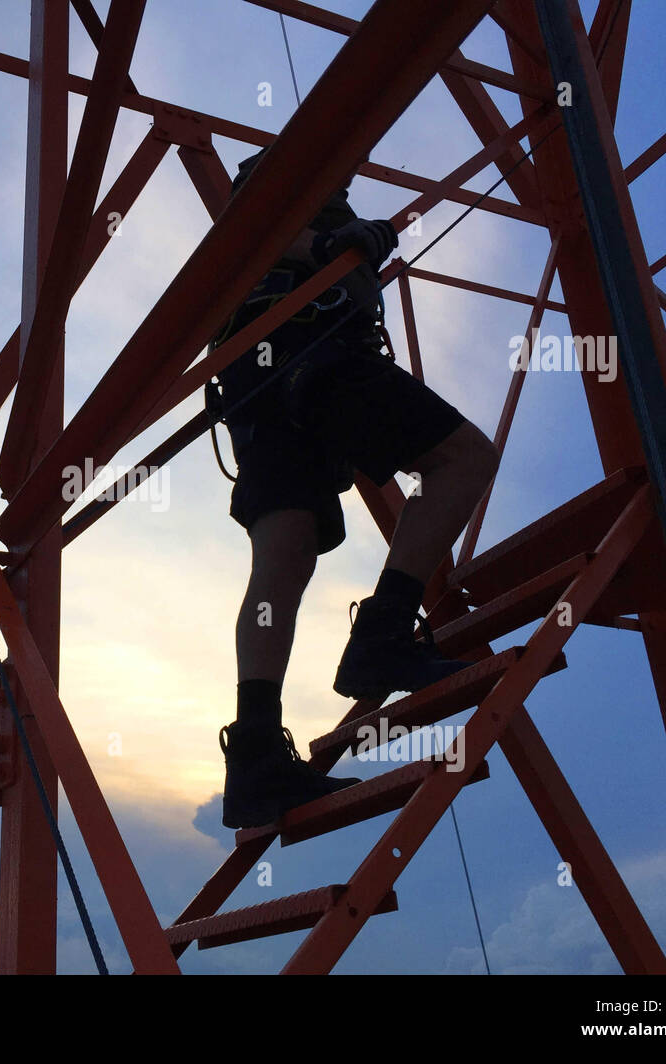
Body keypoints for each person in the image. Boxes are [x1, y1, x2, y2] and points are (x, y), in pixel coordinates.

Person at [212, 147, 499, 829]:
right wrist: (331, 241)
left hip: (257, 391)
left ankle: (255, 751)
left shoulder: (305, 200)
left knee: (283, 556)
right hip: (313, 355)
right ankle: (386, 632)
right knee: (462, 458)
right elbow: (254, 219)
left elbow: (247, 232)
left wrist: (340, 240)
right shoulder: (291, 176)